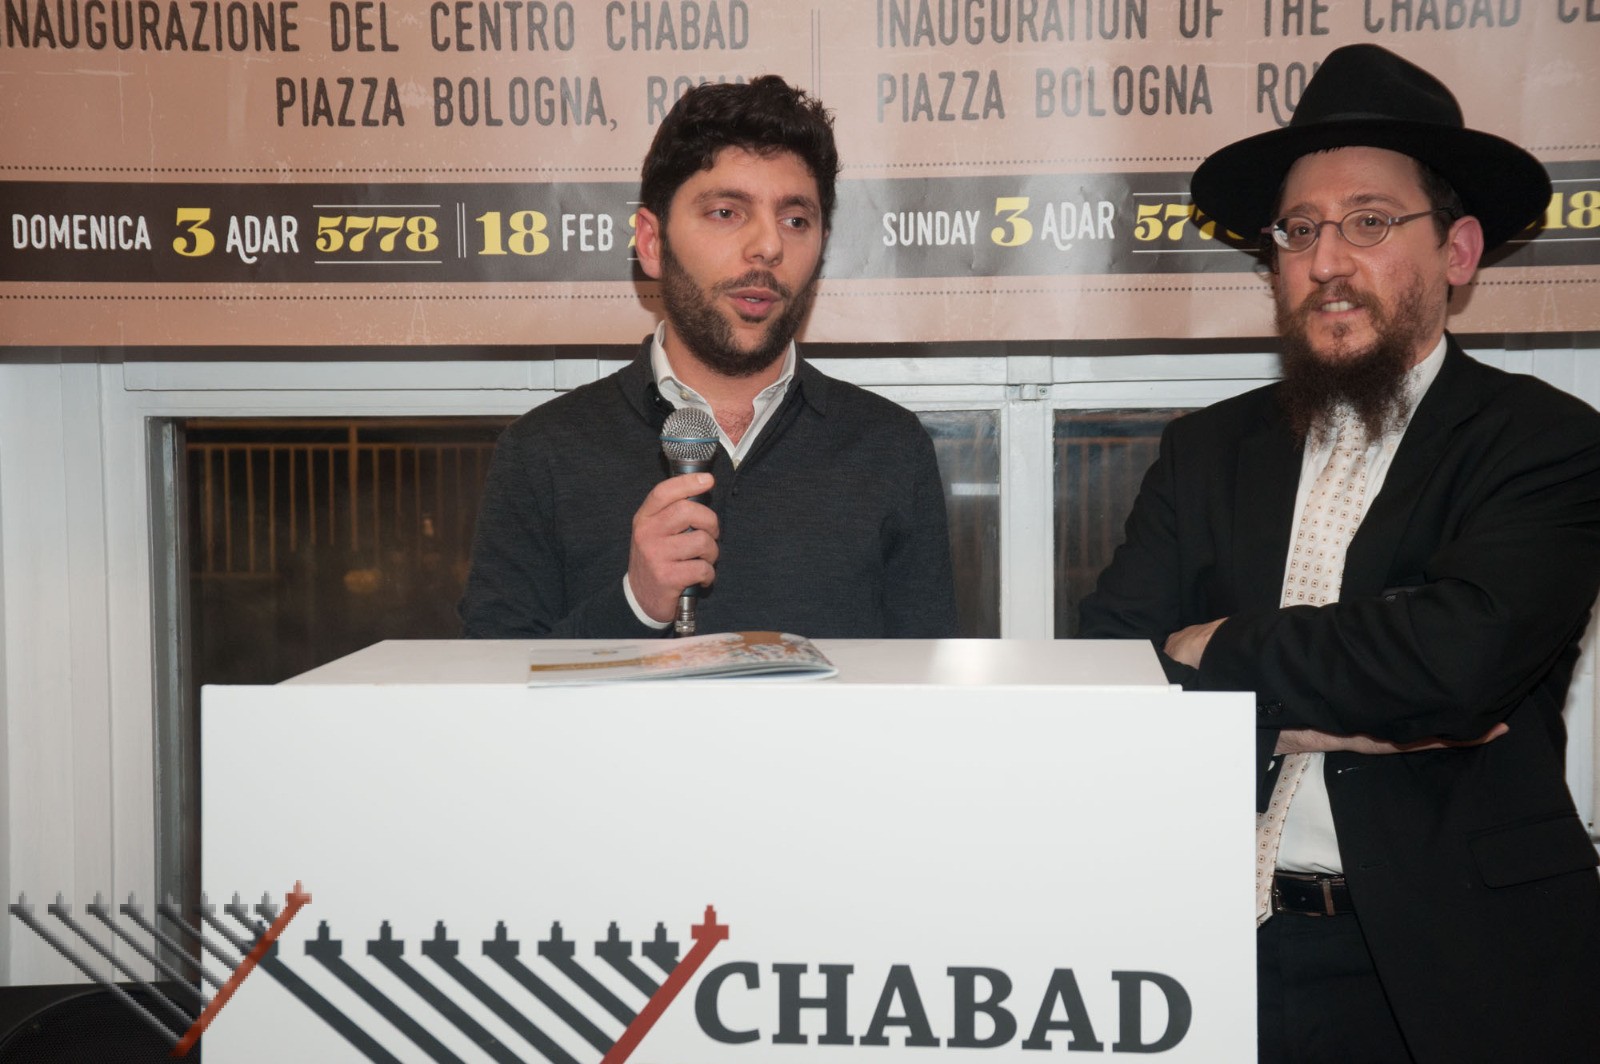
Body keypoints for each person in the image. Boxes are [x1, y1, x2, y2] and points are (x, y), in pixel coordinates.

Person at [1078, 44, 1600, 1063]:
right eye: (1300, 230)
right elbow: (1113, 671)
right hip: (1207, 948)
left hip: (1457, 966)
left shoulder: (1546, 442)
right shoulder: (1204, 451)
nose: (1325, 263)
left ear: (1456, 252)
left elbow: (1455, 660)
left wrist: (1216, 647)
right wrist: (1356, 705)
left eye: (1369, 223)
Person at [460, 76, 958, 640]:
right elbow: (494, 683)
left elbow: (926, 682)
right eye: (726, 212)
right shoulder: (543, 452)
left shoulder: (890, 447)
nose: (768, 246)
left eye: (795, 220)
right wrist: (635, 605)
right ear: (652, 243)